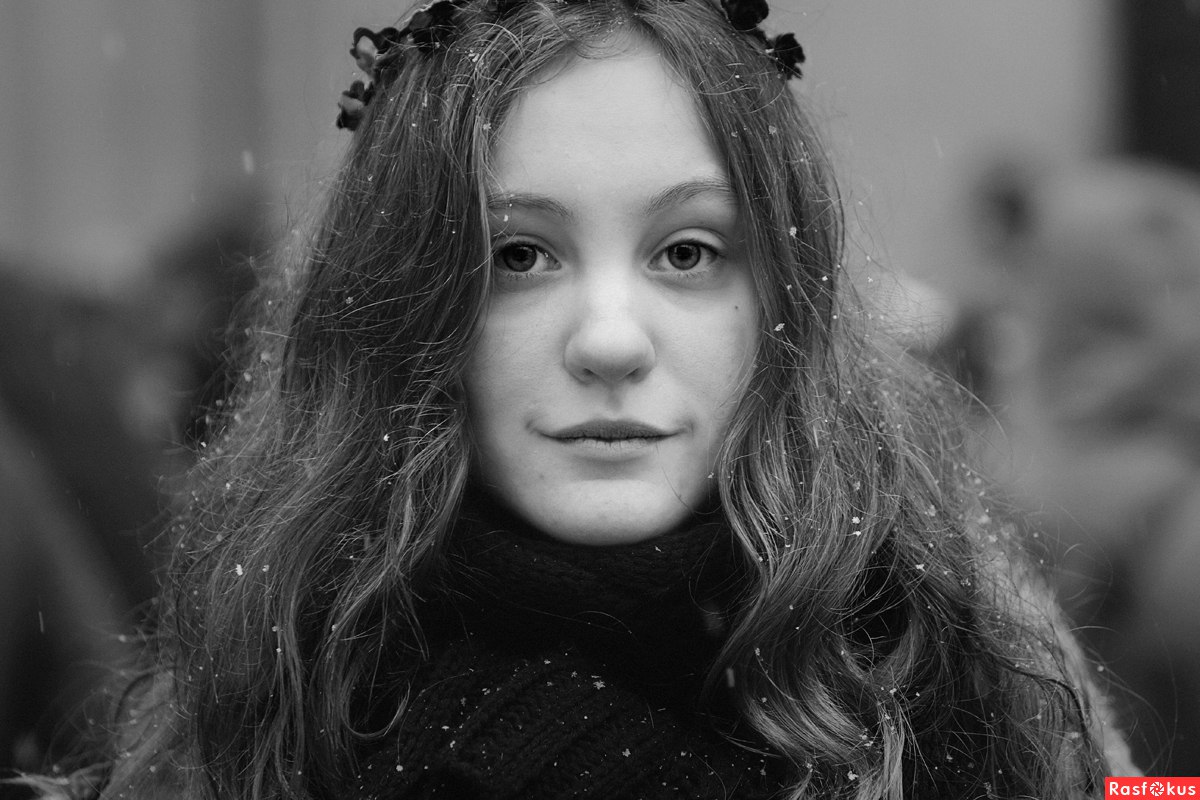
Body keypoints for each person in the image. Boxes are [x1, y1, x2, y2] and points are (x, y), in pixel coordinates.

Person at [17, 0, 1136, 797]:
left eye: (688, 252)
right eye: (518, 256)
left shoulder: (949, 657)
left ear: (783, 303)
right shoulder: (282, 707)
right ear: (406, 308)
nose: (609, 339)